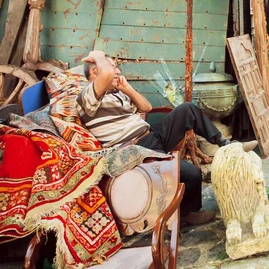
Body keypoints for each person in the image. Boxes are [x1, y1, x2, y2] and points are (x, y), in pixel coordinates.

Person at [76, 50, 231, 225]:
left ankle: (224, 143)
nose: (117, 71)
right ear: (95, 72)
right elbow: (108, 73)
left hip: (151, 136)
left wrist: (126, 88)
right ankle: (187, 214)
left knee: (186, 109)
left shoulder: (116, 93)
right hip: (136, 151)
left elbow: (146, 107)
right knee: (193, 173)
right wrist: (97, 55)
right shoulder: (87, 97)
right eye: (113, 66)